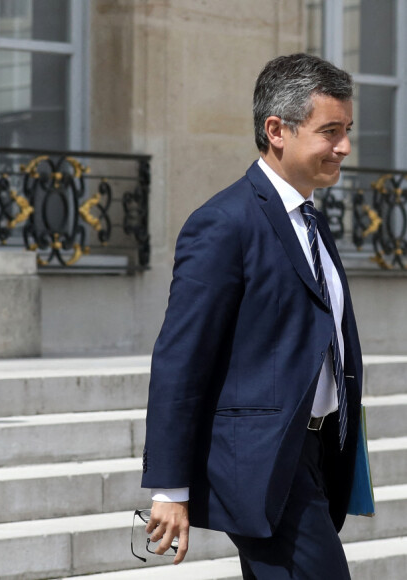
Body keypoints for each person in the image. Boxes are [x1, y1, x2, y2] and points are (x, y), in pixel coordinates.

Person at [141, 53, 362, 579]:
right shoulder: (223, 223)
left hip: (314, 451)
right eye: (330, 131)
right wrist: (170, 488)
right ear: (276, 130)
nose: (345, 147)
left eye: (348, 130)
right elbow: (181, 359)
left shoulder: (312, 220)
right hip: (262, 464)